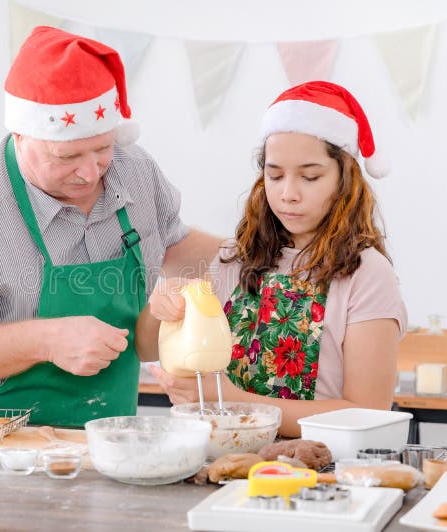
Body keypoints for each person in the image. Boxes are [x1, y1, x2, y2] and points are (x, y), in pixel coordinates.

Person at [0, 26, 220, 427]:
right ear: (21, 135)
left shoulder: (134, 168)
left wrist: (267, 255)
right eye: (66, 157)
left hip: (108, 437)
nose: (90, 172)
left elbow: (172, 245)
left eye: (102, 148)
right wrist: (44, 340)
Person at [137, 81, 407, 437]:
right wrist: (163, 304)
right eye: (275, 175)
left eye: (310, 177)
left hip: (317, 474)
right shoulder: (236, 257)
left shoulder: (367, 273)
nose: (287, 194)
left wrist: (236, 403)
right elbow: (143, 349)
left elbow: (367, 412)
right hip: (226, 460)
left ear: (346, 179)